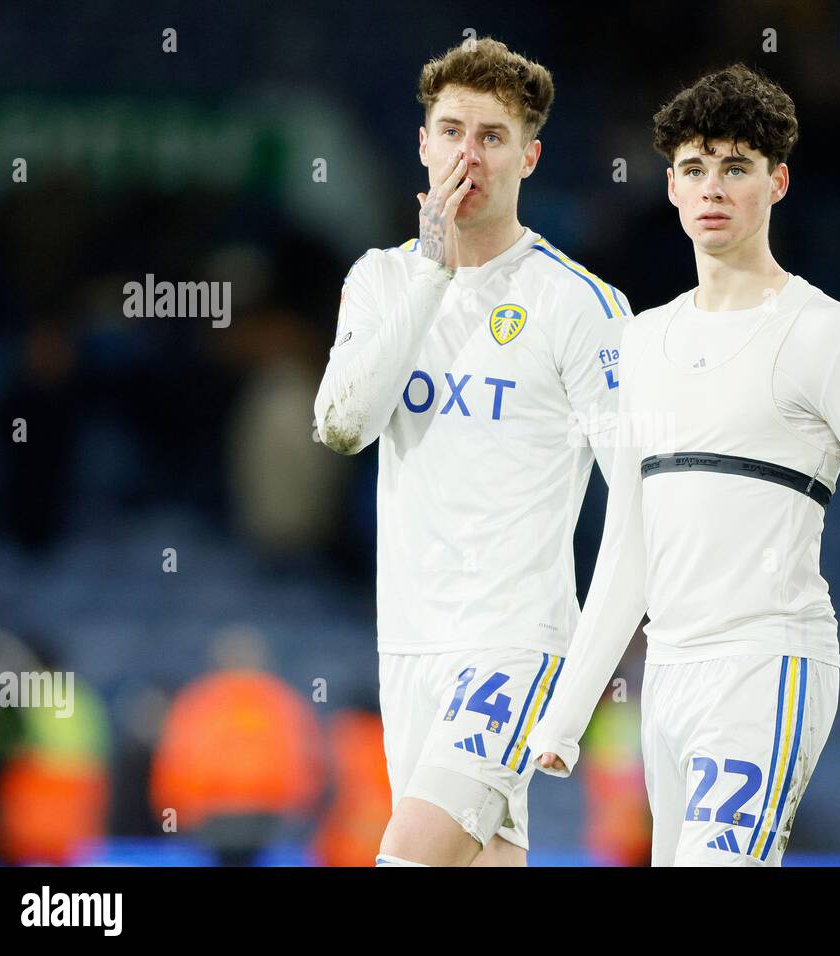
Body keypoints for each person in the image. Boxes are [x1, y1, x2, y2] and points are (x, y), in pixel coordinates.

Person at [527, 64, 840, 866]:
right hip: (667, 677)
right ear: (669, 186)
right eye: (695, 169)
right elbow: (629, 546)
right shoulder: (642, 341)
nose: (713, 187)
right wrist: (568, 709)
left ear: (779, 180)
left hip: (769, 663)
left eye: (736, 166)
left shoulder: (831, 338)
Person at [313, 37, 631, 866]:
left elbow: (639, 489)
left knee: (408, 856)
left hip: (515, 641)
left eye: (492, 137)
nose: (468, 154)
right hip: (409, 643)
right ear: (423, 144)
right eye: (451, 130)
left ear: (529, 156)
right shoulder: (383, 279)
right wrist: (430, 269)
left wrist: (588, 669)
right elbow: (343, 425)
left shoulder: (581, 305)